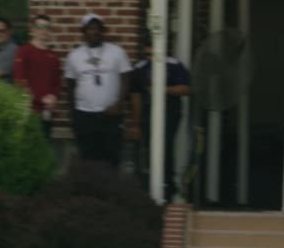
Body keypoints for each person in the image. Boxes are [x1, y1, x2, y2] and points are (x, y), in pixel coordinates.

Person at [64, 13, 133, 167]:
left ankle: (111, 190)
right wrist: (73, 115)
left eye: (97, 28)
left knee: (112, 157)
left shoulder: (117, 52)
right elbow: (70, 86)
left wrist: (119, 104)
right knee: (88, 158)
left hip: (110, 114)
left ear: (103, 31)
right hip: (85, 115)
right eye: (90, 28)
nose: (94, 32)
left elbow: (126, 79)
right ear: (83, 32)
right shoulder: (74, 56)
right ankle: (91, 191)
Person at [131, 31, 191, 201]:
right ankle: (151, 186)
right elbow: (135, 97)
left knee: (165, 147)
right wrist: (135, 123)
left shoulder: (174, 65)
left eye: (153, 53)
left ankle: (168, 187)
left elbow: (186, 89)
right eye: (147, 53)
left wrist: (162, 89)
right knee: (149, 149)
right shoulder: (139, 68)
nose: (150, 57)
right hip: (147, 114)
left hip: (170, 113)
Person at [13, 14, 64, 140]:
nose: (43, 30)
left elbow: (57, 82)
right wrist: (40, 99)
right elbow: (20, 81)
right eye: (40, 26)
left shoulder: (53, 56)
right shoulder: (24, 51)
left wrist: (54, 97)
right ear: (32, 29)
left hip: (47, 112)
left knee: (45, 144)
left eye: (47, 27)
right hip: (29, 111)